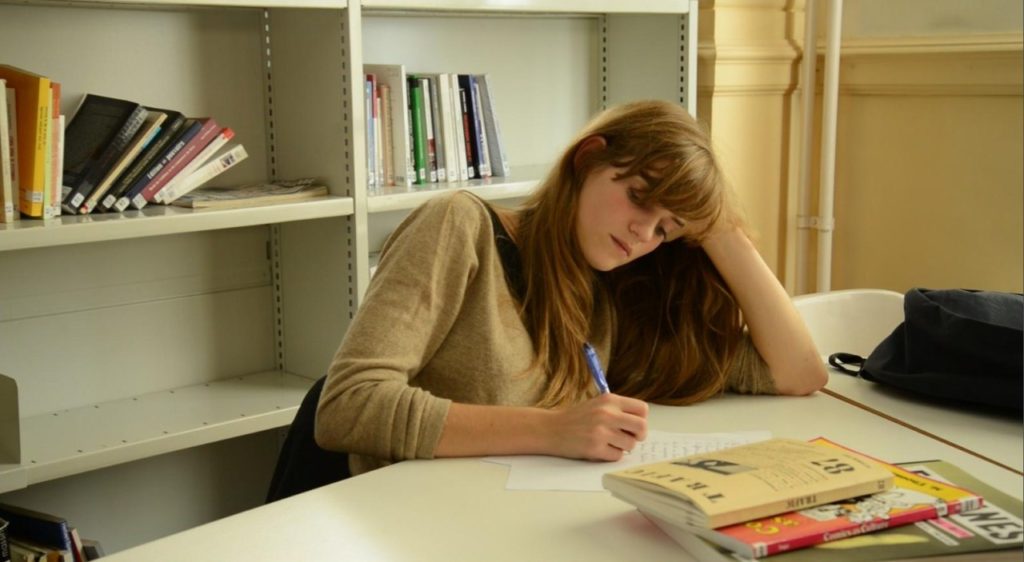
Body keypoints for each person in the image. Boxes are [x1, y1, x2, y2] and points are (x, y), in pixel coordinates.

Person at [315, 100, 827, 477]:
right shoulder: (459, 227)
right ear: (587, 159)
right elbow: (349, 406)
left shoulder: (609, 295)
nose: (643, 235)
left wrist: (718, 224)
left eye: (667, 229)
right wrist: (552, 430)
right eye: (639, 198)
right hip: (413, 526)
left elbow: (797, 371)